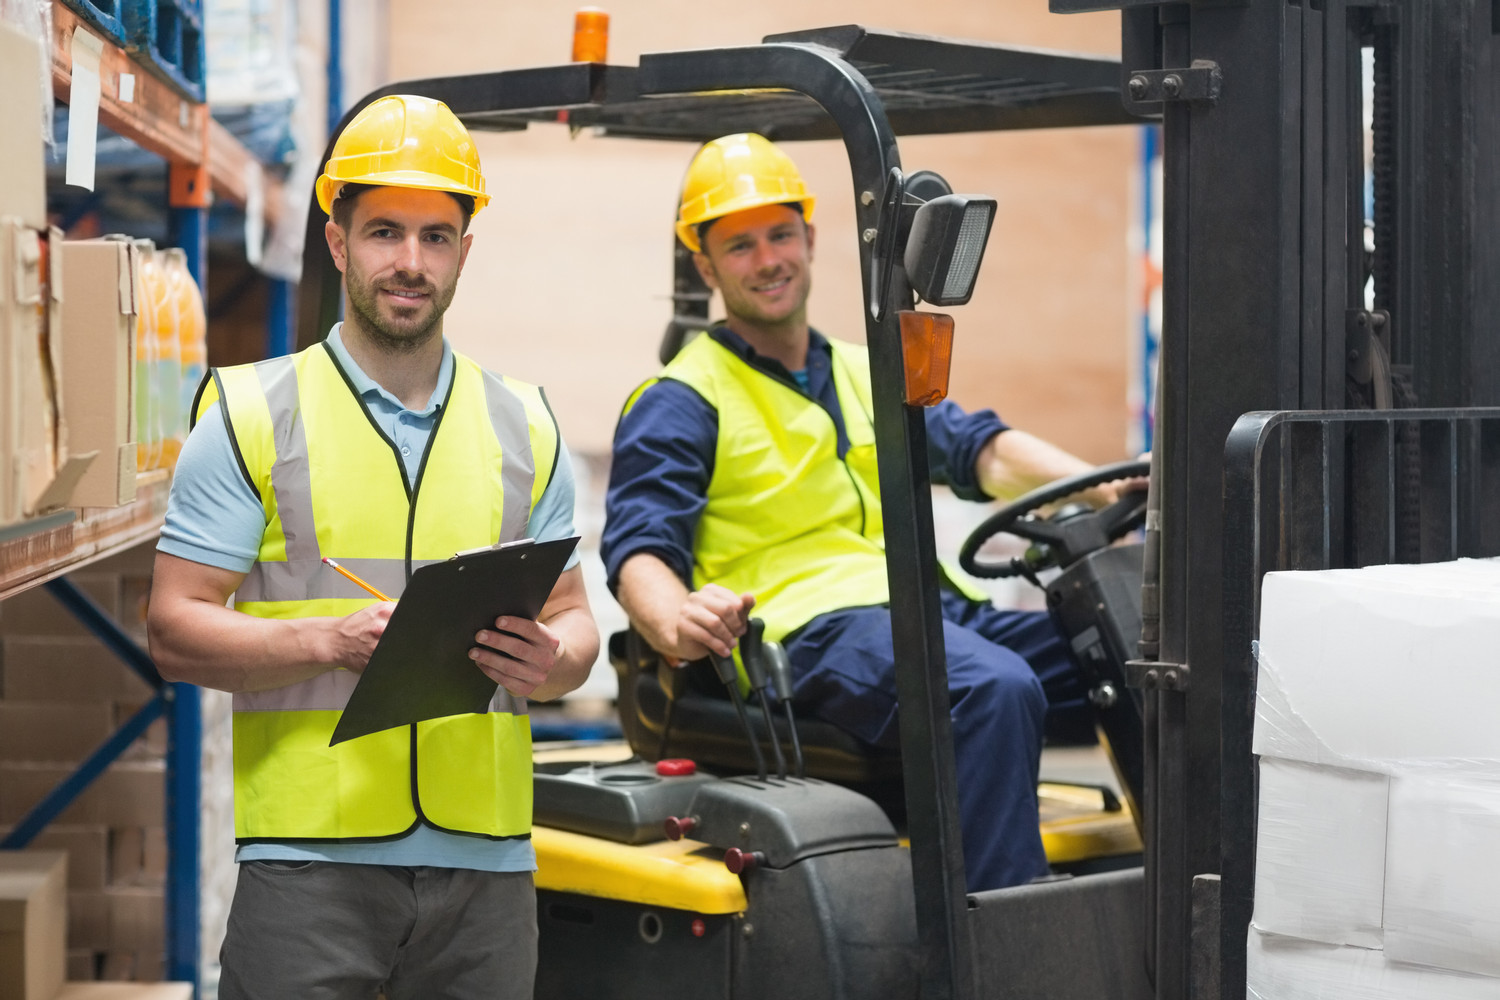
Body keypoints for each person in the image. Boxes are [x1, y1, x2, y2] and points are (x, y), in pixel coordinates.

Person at [146, 94, 599, 999]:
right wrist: (325, 640)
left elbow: (576, 625)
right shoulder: (249, 415)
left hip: (488, 869)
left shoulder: (527, 425)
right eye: (385, 230)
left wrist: (551, 663)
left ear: (465, 252)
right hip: (311, 865)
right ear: (337, 240)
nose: (410, 262)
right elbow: (174, 628)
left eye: (436, 237)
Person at [602, 132, 1131, 893]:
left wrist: (1107, 486)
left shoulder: (867, 366)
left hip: (929, 612)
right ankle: (1002, 957)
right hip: (806, 635)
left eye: (780, 234)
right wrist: (675, 619)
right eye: (740, 245)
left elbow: (978, 449)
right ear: (707, 264)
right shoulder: (685, 397)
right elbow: (640, 548)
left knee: (1138, 652)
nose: (769, 259)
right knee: (993, 688)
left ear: (811, 238)